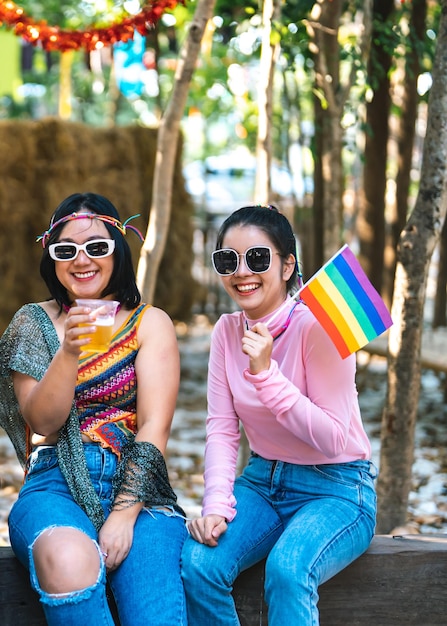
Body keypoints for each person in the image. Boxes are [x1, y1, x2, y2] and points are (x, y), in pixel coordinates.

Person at [181, 205, 377, 625]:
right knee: (199, 562)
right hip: (263, 481)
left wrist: (267, 376)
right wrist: (216, 505)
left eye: (257, 258)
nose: (241, 272)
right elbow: (220, 429)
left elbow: (333, 439)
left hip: (338, 489)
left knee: (288, 569)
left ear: (287, 265)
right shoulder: (227, 331)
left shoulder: (320, 327)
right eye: (227, 260)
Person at [0, 192, 187, 625]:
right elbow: (43, 421)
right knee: (67, 559)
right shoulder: (33, 323)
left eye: (97, 247)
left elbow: (154, 428)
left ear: (117, 250)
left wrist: (123, 514)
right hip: (54, 484)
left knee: (154, 608)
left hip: (140, 490)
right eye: (66, 250)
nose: (82, 260)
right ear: (52, 258)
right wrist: (68, 353)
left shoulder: (150, 322)